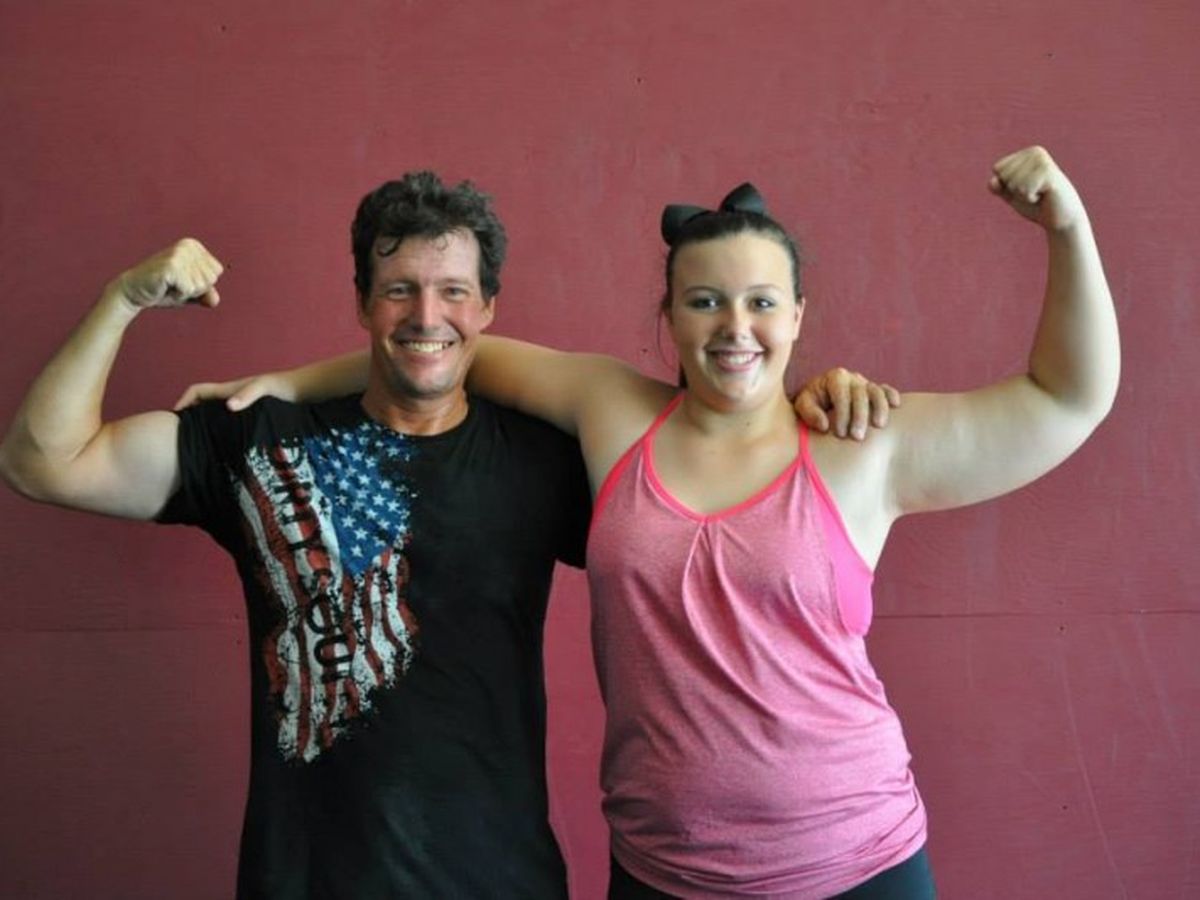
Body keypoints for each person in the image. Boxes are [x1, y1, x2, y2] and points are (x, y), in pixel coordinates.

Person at [207, 146, 1119, 898]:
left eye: (762, 302)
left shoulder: (862, 444)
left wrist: (1067, 227)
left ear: (798, 316)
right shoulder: (615, 413)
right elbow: (445, 349)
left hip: (857, 864)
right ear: (670, 317)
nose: (735, 327)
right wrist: (291, 383)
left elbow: (1066, 399)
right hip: (664, 874)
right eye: (705, 301)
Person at [0, 171, 892, 899]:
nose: (427, 317)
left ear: (488, 308)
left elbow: (714, 468)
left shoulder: (548, 461)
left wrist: (805, 403)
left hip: (498, 877)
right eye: (399, 290)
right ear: (362, 302)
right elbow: (45, 463)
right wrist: (122, 301)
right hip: (303, 879)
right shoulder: (260, 444)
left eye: (453, 291)